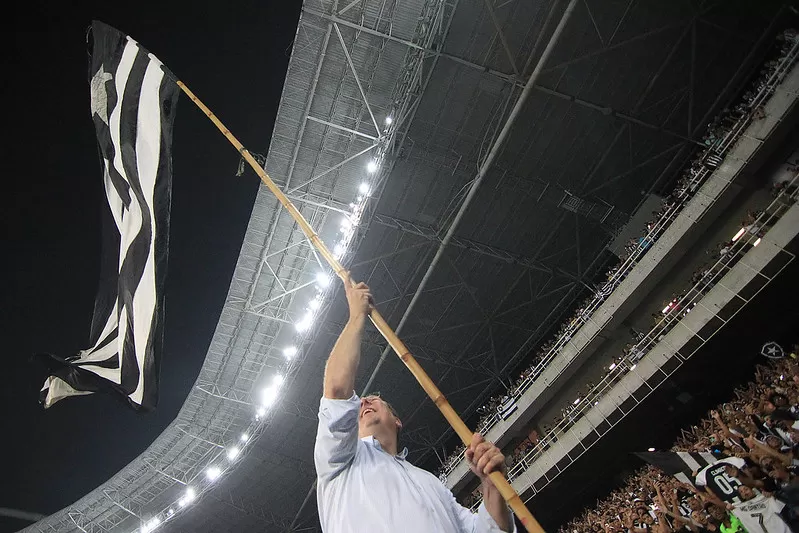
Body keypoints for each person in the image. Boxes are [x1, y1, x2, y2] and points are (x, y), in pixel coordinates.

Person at [314, 276, 515, 532]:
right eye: (359, 403)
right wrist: (356, 316)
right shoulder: (339, 459)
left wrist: (491, 484)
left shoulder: (430, 482)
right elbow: (337, 390)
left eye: (375, 398)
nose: (363, 400)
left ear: (397, 420)